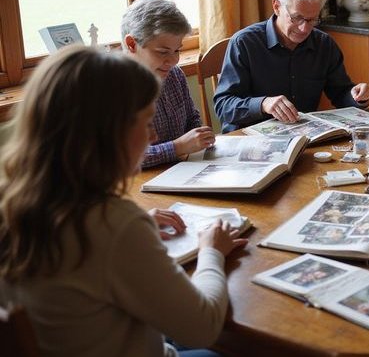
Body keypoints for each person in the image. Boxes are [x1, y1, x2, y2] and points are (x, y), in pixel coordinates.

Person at [0, 46, 248, 357]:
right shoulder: (112, 223)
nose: (154, 137)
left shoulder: (12, 197)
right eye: (146, 123)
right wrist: (212, 251)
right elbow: (204, 326)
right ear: (108, 134)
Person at [214, 0, 369, 133]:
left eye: (312, 19)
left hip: (302, 138)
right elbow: (223, 106)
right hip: (249, 142)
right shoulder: (244, 43)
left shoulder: (323, 44)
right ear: (277, 7)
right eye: (297, 17)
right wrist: (263, 104)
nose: (304, 29)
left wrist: (357, 96)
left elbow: (340, 93)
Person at [122, 0, 215, 168]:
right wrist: (178, 147)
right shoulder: (115, 88)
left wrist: (200, 136)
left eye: (177, 50)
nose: (173, 61)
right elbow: (124, 156)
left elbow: (191, 118)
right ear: (132, 44)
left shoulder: (174, 75)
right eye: (163, 52)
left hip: (180, 170)